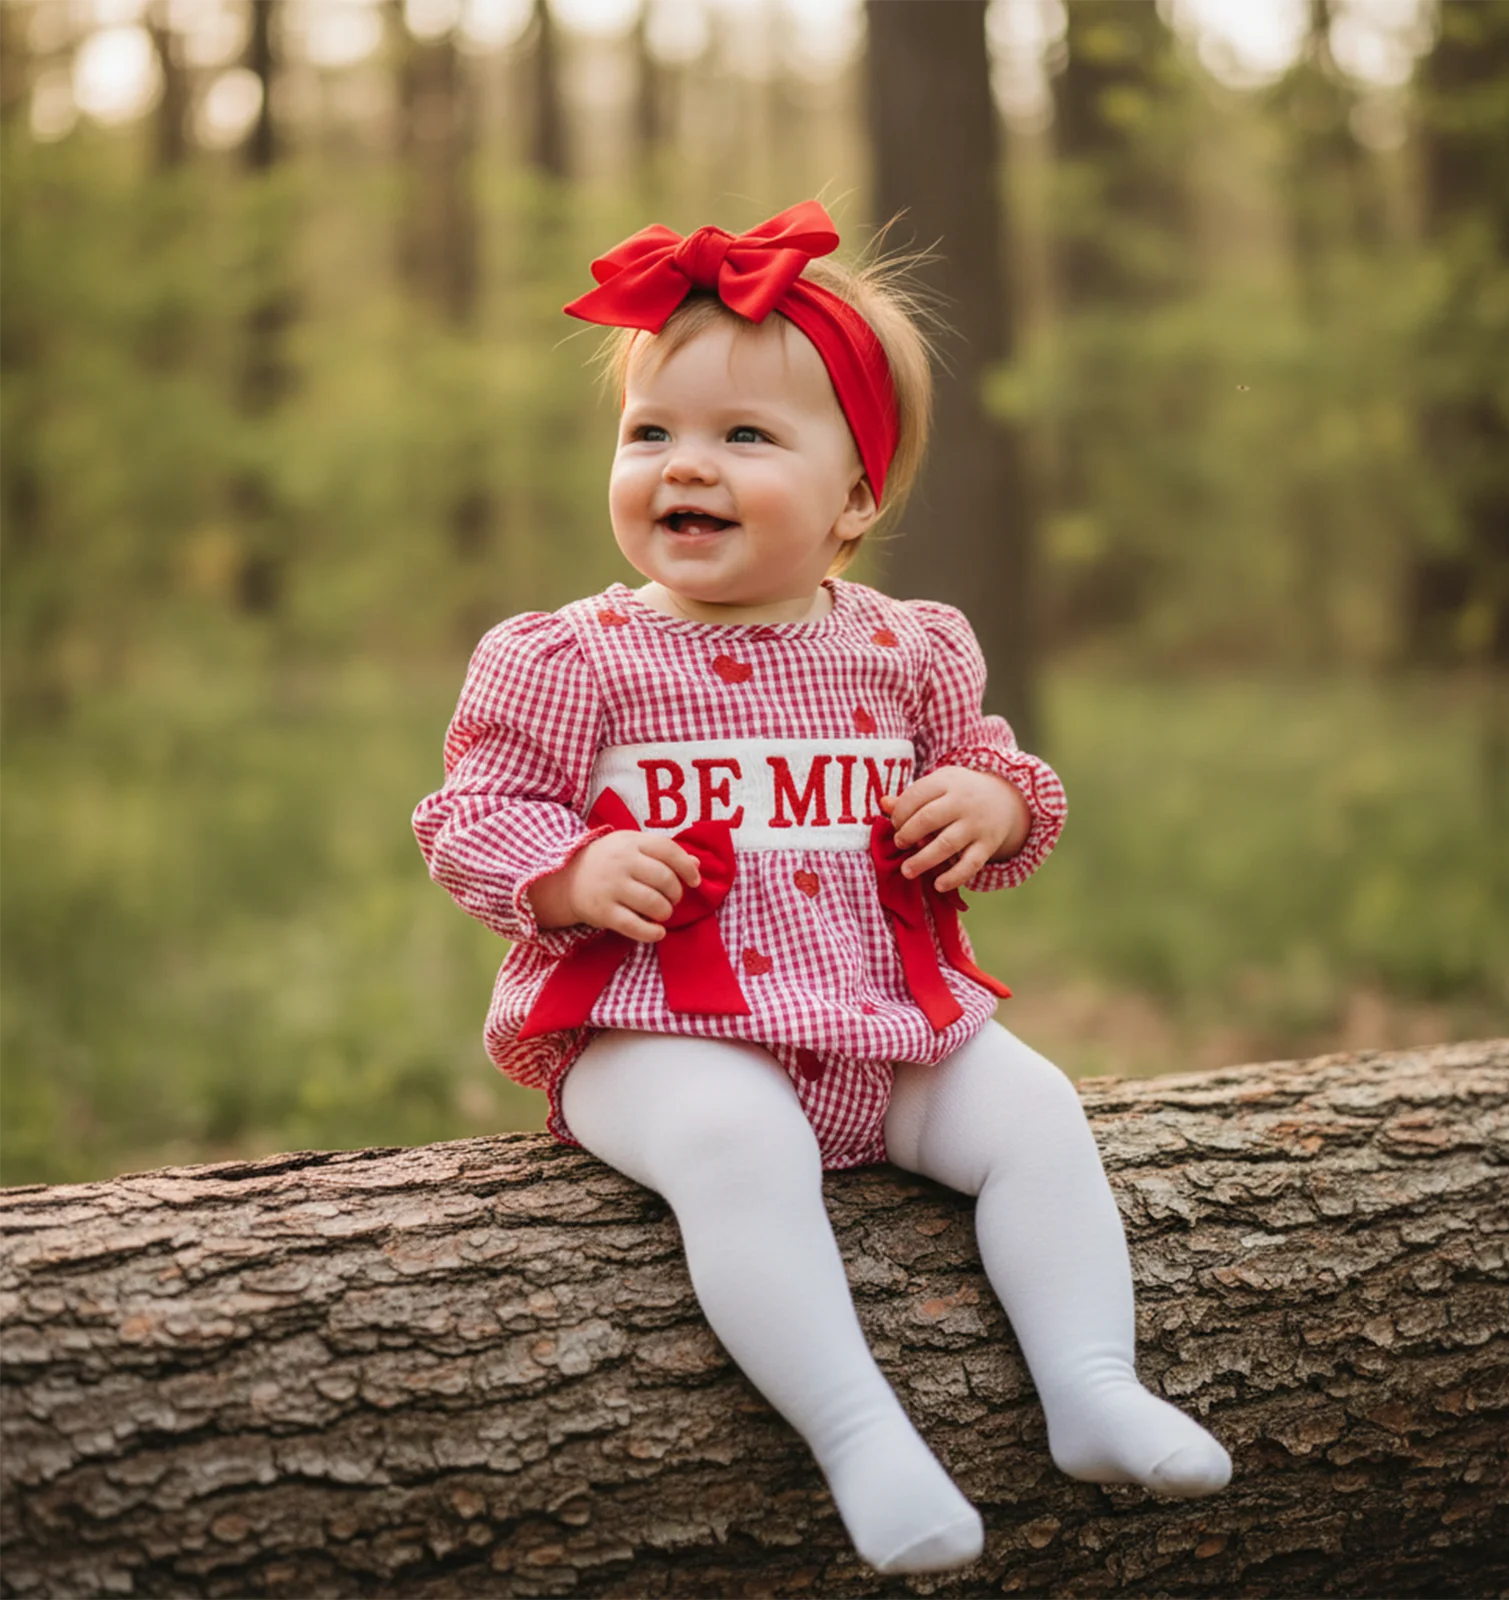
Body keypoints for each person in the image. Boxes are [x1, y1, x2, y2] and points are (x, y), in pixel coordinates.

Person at [413, 201, 1231, 1576]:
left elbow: (991, 761)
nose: (688, 465)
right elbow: (471, 812)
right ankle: (860, 1434)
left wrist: (995, 800)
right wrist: (566, 873)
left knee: (1033, 1110)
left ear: (856, 498)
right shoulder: (573, 661)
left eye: (746, 436)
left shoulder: (906, 650)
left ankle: (1091, 1384)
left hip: (881, 1012)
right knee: (742, 1150)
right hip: (652, 1030)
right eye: (652, 433)